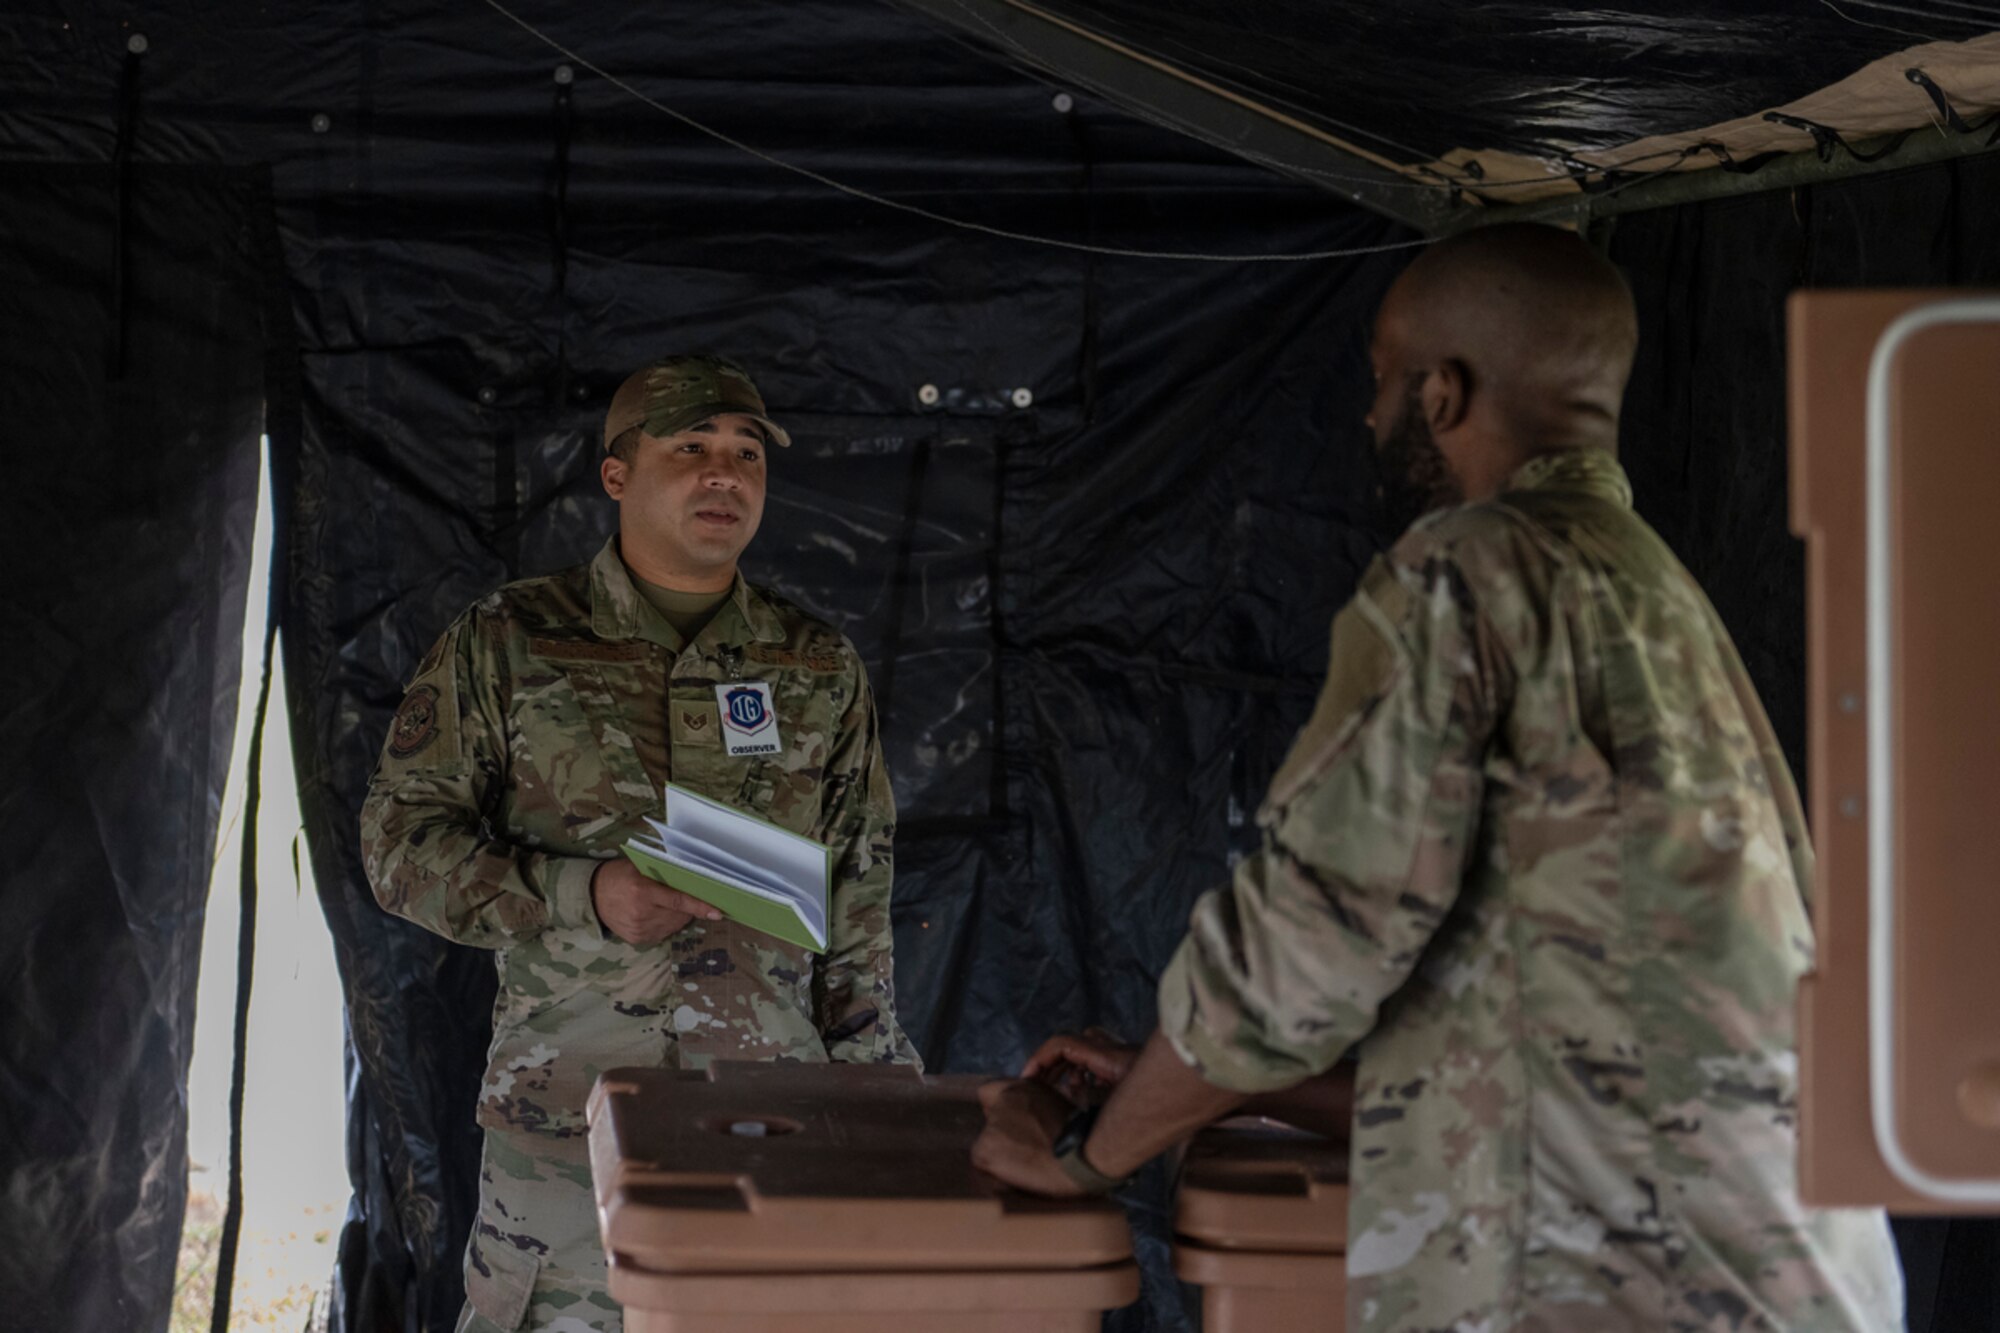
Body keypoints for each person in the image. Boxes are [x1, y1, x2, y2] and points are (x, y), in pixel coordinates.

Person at [972, 224, 1905, 1330]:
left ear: (1442, 394)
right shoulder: (1650, 596)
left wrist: (1091, 1153)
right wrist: (1181, 1087)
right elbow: (1528, 1051)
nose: (1367, 417)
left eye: (1378, 382)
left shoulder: (1470, 571)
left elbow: (1304, 942)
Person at [361, 354, 919, 1333]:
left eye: (746, 453)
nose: (725, 474)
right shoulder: (510, 640)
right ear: (615, 475)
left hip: (767, 1124)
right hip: (568, 1129)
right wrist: (584, 893)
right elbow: (399, 845)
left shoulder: (814, 663)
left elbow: (857, 889)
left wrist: (877, 1107)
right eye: (691, 447)